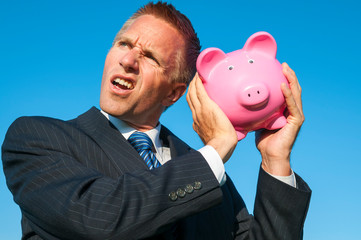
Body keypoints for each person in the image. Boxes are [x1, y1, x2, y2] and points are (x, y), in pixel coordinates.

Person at [2, 2, 311, 240]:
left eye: (149, 56)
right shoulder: (36, 138)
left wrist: (275, 160)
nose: (128, 60)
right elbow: (98, 219)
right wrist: (216, 150)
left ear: (174, 93)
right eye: (123, 44)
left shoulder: (211, 175)